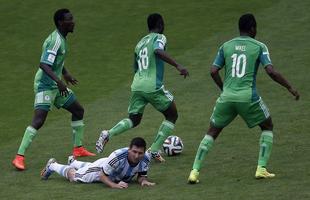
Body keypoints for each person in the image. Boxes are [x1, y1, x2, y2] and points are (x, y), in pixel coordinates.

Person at [188, 13, 300, 183]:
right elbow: (271, 71)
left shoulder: (226, 45)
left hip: (226, 97)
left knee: (212, 131)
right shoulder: (259, 46)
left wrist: (224, 88)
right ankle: (261, 168)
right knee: (267, 125)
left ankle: (194, 172)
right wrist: (290, 87)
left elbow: (213, 71)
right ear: (253, 28)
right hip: (248, 97)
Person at [95, 13, 189, 162]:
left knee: (134, 119)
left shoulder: (139, 43)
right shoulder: (159, 37)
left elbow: (135, 68)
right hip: (152, 86)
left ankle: (108, 133)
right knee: (172, 115)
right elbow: (158, 51)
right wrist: (178, 65)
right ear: (159, 24)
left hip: (137, 84)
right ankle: (153, 150)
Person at [12, 8, 95, 171]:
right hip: (45, 84)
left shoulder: (62, 39)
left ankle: (78, 149)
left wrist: (66, 74)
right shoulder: (55, 40)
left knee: (78, 110)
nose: (73, 22)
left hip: (56, 85)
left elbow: (57, 61)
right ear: (61, 23)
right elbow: (43, 64)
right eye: (70, 19)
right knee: (39, 120)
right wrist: (59, 81)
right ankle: (19, 157)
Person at [41, 137, 155, 188]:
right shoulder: (117, 156)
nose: (136, 155)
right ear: (129, 149)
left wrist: (143, 181)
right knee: (74, 176)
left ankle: (73, 162)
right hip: (99, 170)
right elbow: (102, 175)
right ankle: (52, 165)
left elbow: (141, 176)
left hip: (108, 166)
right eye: (134, 152)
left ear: (144, 152)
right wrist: (115, 186)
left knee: (89, 167)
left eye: (140, 153)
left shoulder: (145, 158)